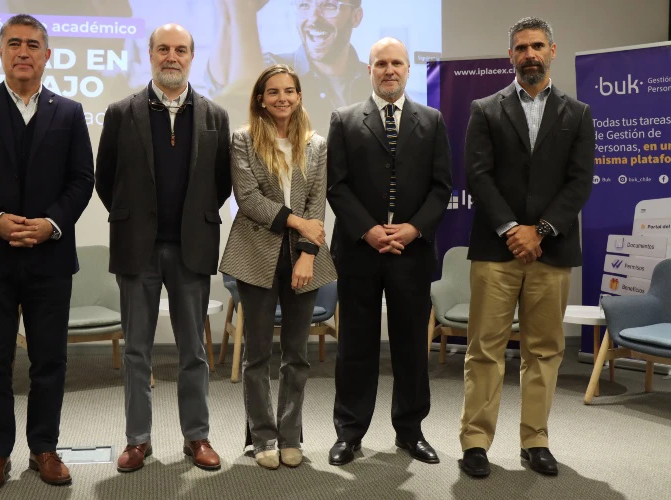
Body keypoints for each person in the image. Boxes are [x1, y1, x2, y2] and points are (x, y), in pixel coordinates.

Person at [0, 14, 94, 493]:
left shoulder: (69, 112)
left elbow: (82, 180)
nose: (23, 51)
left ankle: (44, 449)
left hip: (49, 255)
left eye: (32, 44)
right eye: (14, 43)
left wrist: (50, 223)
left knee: (50, 359)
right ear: (1, 52)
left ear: (48, 55)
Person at [459, 17, 595, 478]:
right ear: (510, 56)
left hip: (550, 252)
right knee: (484, 349)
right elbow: (478, 174)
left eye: (537, 46)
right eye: (521, 48)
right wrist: (512, 228)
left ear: (552, 51)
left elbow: (579, 183)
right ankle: (476, 442)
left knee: (544, 350)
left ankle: (535, 441)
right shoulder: (485, 108)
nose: (530, 54)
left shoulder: (577, 114)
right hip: (496, 250)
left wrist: (541, 230)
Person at [95, 23, 232, 473]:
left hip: (191, 248)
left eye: (180, 50)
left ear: (192, 56)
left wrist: (191, 218)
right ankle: (138, 441)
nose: (171, 57)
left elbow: (220, 184)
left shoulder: (214, 115)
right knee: (137, 350)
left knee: (193, 350)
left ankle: (198, 437)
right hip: (138, 250)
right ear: (150, 55)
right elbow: (106, 178)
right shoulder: (121, 112)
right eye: (163, 49)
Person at [326, 37, 452, 466]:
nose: (389, 70)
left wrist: (413, 229)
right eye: (381, 63)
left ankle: (410, 431)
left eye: (397, 62)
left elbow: (442, 187)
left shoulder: (432, 121)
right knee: (356, 347)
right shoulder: (344, 120)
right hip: (360, 251)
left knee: (411, 347)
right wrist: (369, 231)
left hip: (412, 253)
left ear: (408, 69)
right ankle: (349, 433)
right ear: (369, 69)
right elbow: (336, 186)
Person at [219, 64, 337, 470]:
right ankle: (262, 436)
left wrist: (307, 251)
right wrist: (298, 221)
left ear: (299, 96)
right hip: (255, 255)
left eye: (289, 91)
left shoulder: (316, 144)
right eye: (273, 92)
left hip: (304, 257)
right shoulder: (243, 140)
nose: (282, 98)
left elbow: (317, 203)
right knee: (255, 355)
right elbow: (248, 198)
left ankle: (290, 435)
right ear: (260, 98)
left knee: (296, 355)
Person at [206, 0, 370, 136]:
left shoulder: (373, 82)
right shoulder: (272, 70)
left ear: (355, 17)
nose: (313, 18)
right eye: (304, 5)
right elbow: (226, 87)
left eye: (329, 6)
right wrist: (234, 14)